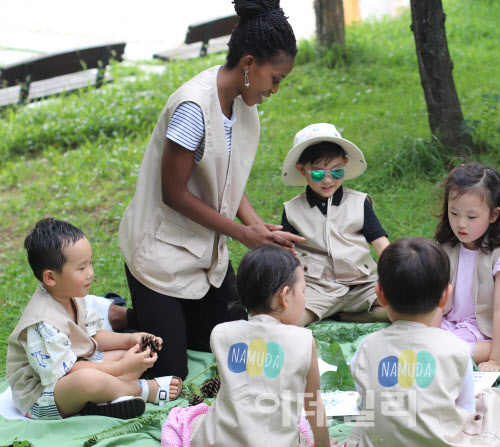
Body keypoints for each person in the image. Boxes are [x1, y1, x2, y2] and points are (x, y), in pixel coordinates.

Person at [118, 0, 304, 380]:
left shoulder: (241, 103)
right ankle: (118, 314)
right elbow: (172, 193)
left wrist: (259, 230)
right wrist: (241, 233)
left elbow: (227, 179)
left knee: (232, 339)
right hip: (160, 254)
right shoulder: (193, 108)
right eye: (276, 78)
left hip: (204, 252)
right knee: (169, 372)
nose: (276, 89)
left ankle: (165, 316)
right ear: (249, 64)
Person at [340, 237, 500, 447]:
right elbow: (467, 409)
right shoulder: (457, 348)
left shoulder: (367, 346)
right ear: (445, 296)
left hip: (381, 440)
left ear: (380, 294)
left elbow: (366, 403)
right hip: (443, 440)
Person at [5, 218, 181, 420]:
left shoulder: (75, 296)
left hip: (79, 365)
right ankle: (140, 390)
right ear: (51, 278)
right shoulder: (42, 323)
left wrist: (131, 340)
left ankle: (102, 399)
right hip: (44, 395)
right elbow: (70, 372)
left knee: (135, 353)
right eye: (81, 268)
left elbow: (94, 335)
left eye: (91, 263)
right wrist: (122, 367)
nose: (91, 273)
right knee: (87, 380)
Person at [161, 245, 331, 447]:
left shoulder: (221, 333)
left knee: (190, 418)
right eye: (303, 291)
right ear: (285, 297)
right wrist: (324, 444)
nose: (304, 298)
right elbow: (312, 404)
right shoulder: (303, 340)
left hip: (218, 441)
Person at [280, 123, 390, 326]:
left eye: (336, 172)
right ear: (301, 169)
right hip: (318, 288)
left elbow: (381, 244)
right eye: (318, 174)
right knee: (290, 322)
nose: (328, 180)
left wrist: (397, 275)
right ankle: (327, 312)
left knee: (404, 308)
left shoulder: (359, 203)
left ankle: (356, 316)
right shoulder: (292, 210)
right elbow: (285, 255)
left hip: (362, 284)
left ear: (346, 163)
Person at [431, 163, 500, 372]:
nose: (460, 224)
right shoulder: (446, 247)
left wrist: (495, 360)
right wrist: (429, 338)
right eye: (454, 213)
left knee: (454, 352)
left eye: (471, 217)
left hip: (485, 329)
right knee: (419, 340)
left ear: (494, 215)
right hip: (451, 323)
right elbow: (437, 303)